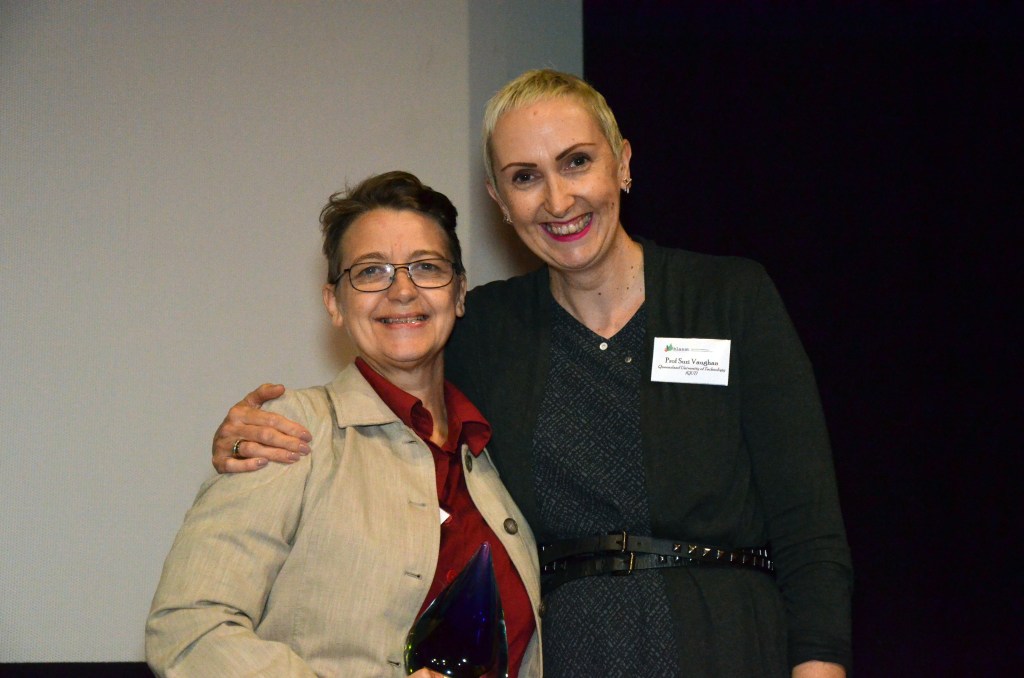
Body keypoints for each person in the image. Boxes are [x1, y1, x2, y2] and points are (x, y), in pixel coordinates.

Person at [212, 70, 853, 677]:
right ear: (499, 201)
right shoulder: (482, 331)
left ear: (623, 164)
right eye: (525, 176)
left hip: (732, 643)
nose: (557, 199)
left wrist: (819, 663)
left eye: (577, 162)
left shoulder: (728, 297)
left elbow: (810, 525)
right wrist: (254, 431)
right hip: (567, 652)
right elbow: (391, 398)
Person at [147, 171, 542, 677]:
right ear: (334, 302)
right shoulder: (293, 434)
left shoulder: (496, 452)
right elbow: (187, 629)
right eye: (371, 272)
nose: (402, 290)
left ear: (460, 292)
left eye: (426, 266)